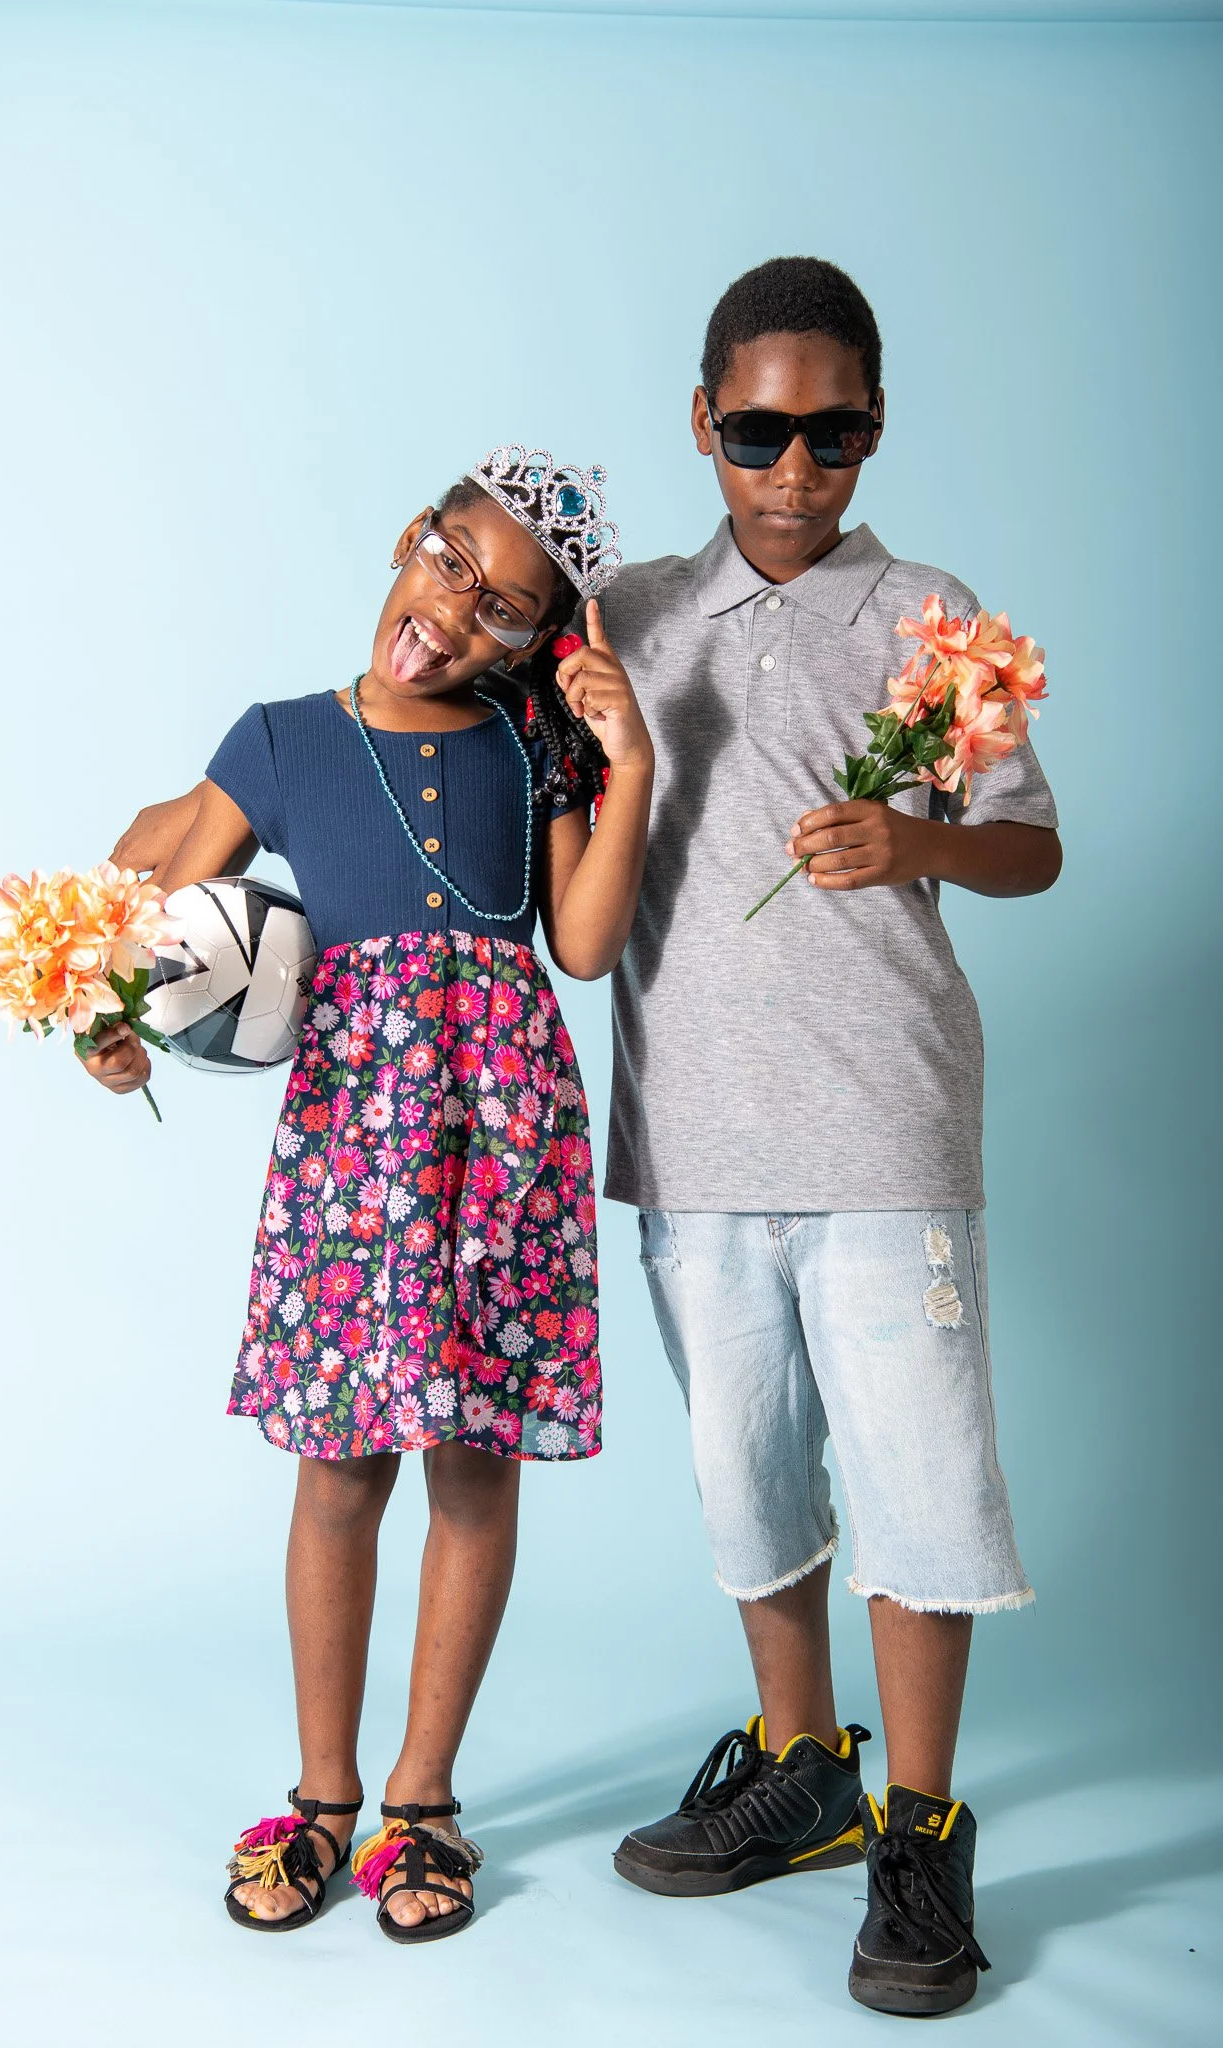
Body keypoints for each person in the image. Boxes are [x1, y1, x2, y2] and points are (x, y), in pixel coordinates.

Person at [87, 448, 653, 1944]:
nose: (458, 613)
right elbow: (153, 908)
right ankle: (323, 1796)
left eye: (508, 611)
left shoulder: (532, 751)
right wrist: (105, 1018)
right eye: (452, 564)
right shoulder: (278, 741)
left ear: (539, 642)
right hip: (356, 1147)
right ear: (415, 538)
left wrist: (634, 768)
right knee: (340, 1470)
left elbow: (585, 945)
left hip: (504, 1134)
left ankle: (424, 1801)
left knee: (475, 1467)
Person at [599, 257, 1061, 2018]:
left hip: (884, 1121)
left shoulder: (935, 616)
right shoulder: (628, 616)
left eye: (837, 431)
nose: (797, 470)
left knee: (921, 1498)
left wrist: (918, 842)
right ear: (704, 420)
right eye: (762, 430)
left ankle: (921, 1832)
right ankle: (804, 1773)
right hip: (693, 1130)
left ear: (875, 428)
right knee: (750, 1485)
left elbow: (1030, 843)